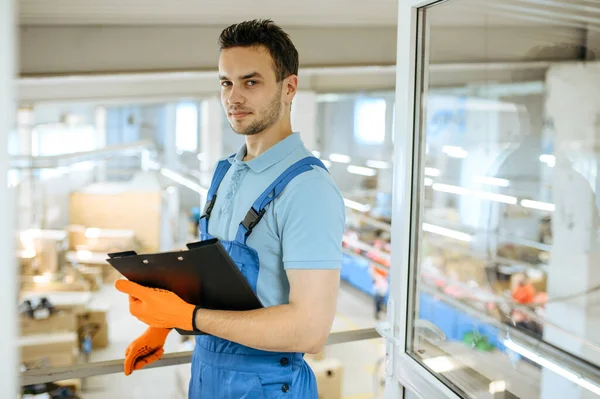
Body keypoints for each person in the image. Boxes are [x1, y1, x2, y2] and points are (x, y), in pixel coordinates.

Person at [114, 19, 346, 399]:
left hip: (269, 386)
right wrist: (160, 324)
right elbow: (213, 278)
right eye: (226, 82)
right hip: (207, 375)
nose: (233, 97)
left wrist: (186, 317)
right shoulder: (226, 173)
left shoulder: (308, 190)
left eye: (250, 82)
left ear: (289, 88)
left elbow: (310, 330)